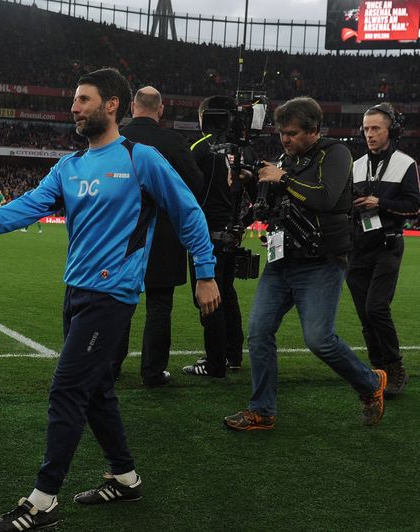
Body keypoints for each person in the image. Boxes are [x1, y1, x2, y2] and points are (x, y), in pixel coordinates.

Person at [0, 68, 220, 532]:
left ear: (113, 105)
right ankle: (125, 478)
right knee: (96, 390)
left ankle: (43, 501)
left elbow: (188, 212)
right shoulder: (69, 166)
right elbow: (29, 205)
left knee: (67, 390)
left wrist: (205, 274)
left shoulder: (139, 157)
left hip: (113, 295)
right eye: (74, 100)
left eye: (84, 99)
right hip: (76, 292)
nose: (74, 107)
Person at [224, 97, 387, 432]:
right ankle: (262, 410)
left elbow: (325, 198)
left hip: (322, 262)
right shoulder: (288, 158)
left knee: (319, 339)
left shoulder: (336, 154)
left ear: (314, 130)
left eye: (293, 133)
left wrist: (282, 178)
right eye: (283, 133)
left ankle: (370, 383)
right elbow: (275, 203)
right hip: (282, 260)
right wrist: (252, 180)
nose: (285, 139)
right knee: (258, 332)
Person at [112, 85, 204, 386]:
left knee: (120, 301)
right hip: (164, 237)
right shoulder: (173, 141)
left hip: (121, 236)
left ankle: (111, 365)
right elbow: (195, 184)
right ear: (160, 110)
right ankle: (152, 371)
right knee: (160, 306)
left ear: (132, 108)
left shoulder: (115, 138)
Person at [347, 103, 420, 396]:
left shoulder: (406, 164)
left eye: (376, 128)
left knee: (376, 307)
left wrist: (380, 203)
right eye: (366, 128)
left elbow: (414, 206)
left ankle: (394, 366)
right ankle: (378, 369)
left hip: (388, 245)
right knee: (365, 315)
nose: (369, 134)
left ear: (392, 131)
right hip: (358, 247)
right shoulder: (356, 165)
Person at [181, 96, 247, 378]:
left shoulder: (199, 149)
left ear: (203, 117)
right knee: (227, 293)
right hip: (231, 233)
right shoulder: (240, 150)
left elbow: (185, 191)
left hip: (205, 234)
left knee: (208, 297)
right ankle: (232, 355)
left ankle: (215, 361)